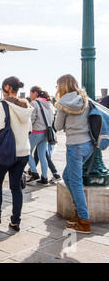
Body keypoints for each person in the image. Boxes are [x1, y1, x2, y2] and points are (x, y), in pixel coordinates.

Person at [0, 76, 33, 232]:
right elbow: (29, 129)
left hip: (7, 151)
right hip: (24, 151)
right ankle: (15, 221)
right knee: (16, 187)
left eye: (3, 88)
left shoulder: (5, 104)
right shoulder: (27, 106)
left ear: (8, 87)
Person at [54, 74, 93, 234]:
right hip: (88, 145)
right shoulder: (86, 100)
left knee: (75, 182)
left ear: (62, 86)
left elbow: (57, 126)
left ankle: (84, 221)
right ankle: (78, 213)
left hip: (75, 146)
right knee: (68, 176)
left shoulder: (63, 103)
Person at [26, 86, 55, 186]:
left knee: (27, 152)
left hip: (36, 132)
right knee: (42, 156)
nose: (30, 95)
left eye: (30, 93)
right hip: (46, 133)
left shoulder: (34, 103)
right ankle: (45, 177)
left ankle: (34, 172)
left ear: (35, 93)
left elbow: (32, 119)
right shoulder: (49, 104)